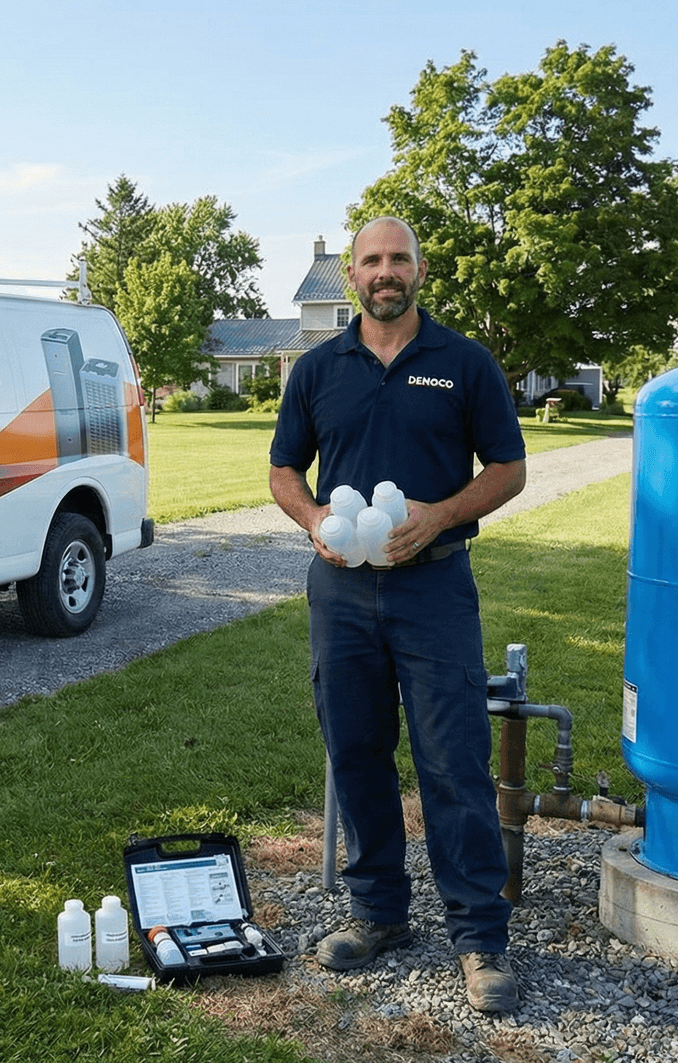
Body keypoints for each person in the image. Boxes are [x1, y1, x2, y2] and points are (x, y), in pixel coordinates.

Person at [267, 216, 528, 1014]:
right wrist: (314, 521)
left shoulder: (463, 363)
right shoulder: (317, 369)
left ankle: (479, 937)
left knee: (452, 758)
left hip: (435, 588)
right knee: (355, 750)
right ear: (351, 275)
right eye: (372, 261)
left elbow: (509, 469)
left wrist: (442, 514)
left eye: (400, 259)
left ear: (419, 269)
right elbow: (283, 470)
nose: (387, 272)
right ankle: (378, 914)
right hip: (342, 593)